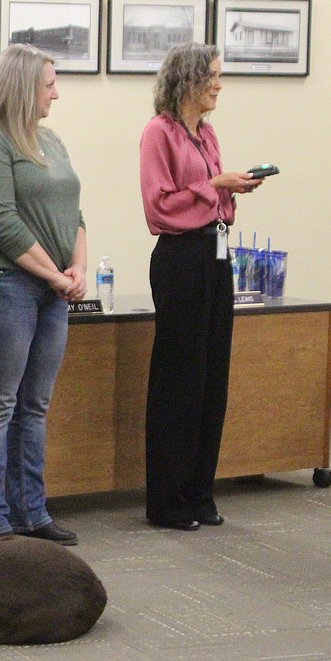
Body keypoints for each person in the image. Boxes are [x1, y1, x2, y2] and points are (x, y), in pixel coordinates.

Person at [0, 44, 87, 545]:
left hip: (52, 287)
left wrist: (78, 268)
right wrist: (56, 275)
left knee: (35, 405)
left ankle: (31, 512)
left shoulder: (50, 140)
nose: (56, 92)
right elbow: (2, 224)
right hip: (3, 283)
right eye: (49, 83)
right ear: (22, 87)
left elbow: (73, 212)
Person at [139, 42, 266, 531]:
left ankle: (199, 492)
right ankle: (168, 500)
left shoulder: (206, 135)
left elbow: (214, 202)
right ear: (187, 80)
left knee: (213, 376)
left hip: (215, 256)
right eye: (211, 75)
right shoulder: (158, 134)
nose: (218, 84)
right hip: (179, 260)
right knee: (179, 379)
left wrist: (230, 189)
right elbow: (158, 207)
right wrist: (213, 187)